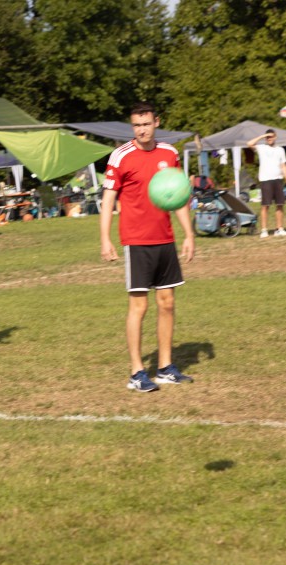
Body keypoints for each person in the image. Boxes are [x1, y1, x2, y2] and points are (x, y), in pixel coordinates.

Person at [99, 102, 195, 392]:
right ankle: (137, 372)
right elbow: (108, 199)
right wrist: (105, 238)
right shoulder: (120, 156)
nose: (141, 130)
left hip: (165, 238)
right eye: (137, 125)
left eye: (146, 124)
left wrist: (189, 234)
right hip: (136, 241)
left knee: (167, 303)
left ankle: (165, 367)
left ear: (156, 122)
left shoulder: (169, 153)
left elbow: (178, 196)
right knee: (139, 306)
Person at [247, 129, 286, 237]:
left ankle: (279, 229)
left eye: (271, 136)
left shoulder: (280, 150)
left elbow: (283, 166)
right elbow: (249, 144)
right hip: (265, 180)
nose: (269, 139)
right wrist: (263, 136)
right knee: (265, 205)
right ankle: (264, 230)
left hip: (278, 179)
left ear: (275, 137)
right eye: (267, 137)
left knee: (280, 204)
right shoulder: (261, 148)